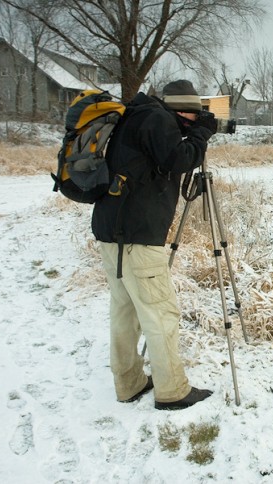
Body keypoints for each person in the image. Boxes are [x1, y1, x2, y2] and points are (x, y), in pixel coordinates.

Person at [91, 79, 217, 410]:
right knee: (160, 313)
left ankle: (129, 383)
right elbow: (177, 160)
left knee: (125, 311)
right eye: (192, 117)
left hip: (112, 233)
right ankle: (172, 391)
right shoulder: (158, 120)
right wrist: (202, 135)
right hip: (136, 238)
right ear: (181, 111)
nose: (192, 124)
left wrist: (193, 131)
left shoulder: (136, 115)